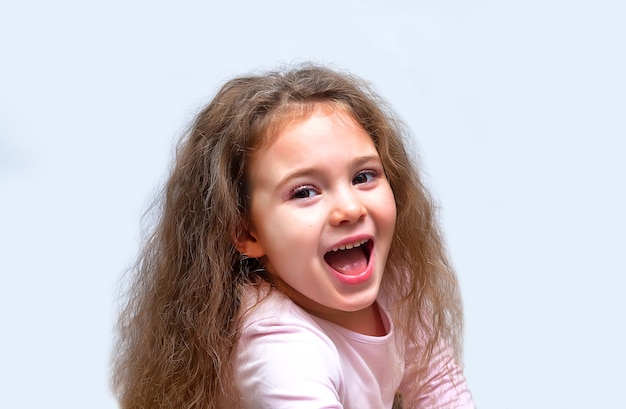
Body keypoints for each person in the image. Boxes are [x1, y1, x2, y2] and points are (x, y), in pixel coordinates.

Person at [112, 63, 475, 409]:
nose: (349, 208)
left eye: (363, 177)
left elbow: (438, 384)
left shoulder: (396, 281)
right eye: (304, 192)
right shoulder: (279, 348)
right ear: (246, 233)